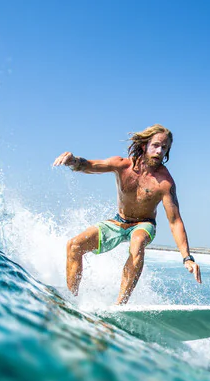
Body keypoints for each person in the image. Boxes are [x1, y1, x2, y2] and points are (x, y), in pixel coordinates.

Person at [53, 124, 201, 304]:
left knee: (137, 241)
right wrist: (73, 161)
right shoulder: (122, 165)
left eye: (164, 148)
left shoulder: (165, 183)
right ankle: (70, 300)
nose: (159, 151)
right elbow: (90, 165)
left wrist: (187, 257)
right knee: (74, 245)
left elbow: (175, 221)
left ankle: (120, 305)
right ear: (144, 145)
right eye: (155, 145)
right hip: (118, 222)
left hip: (144, 224)